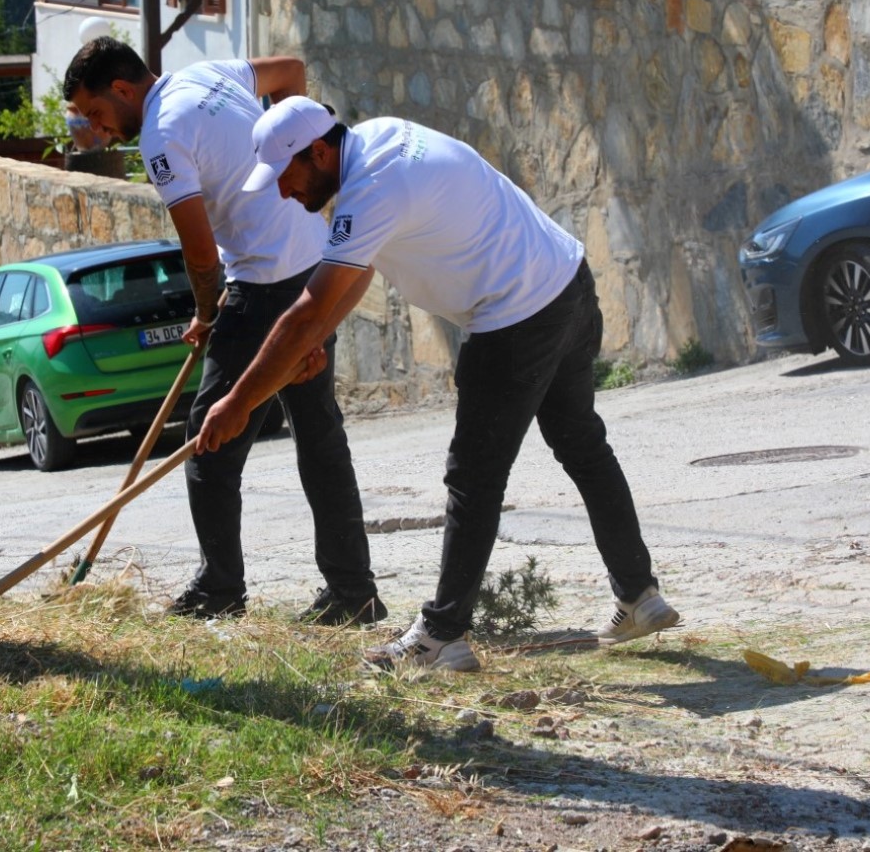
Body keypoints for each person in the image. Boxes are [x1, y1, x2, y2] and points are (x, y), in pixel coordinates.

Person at [195, 96, 679, 671]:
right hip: (565, 280)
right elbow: (356, 271)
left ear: (319, 151)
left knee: (473, 475)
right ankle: (639, 593)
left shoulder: (371, 188)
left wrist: (239, 402)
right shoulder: (381, 140)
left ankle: (441, 636)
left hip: (515, 316)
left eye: (285, 176)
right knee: (581, 444)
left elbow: (306, 309)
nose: (282, 192)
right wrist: (313, 339)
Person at [61, 39, 385, 626]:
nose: (100, 132)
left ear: (123, 90)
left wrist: (209, 314)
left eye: (98, 115)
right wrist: (300, 171)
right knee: (319, 439)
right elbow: (290, 70)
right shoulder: (209, 75)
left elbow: (199, 249)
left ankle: (219, 591)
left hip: (263, 286)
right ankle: (352, 592)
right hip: (316, 268)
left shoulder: (161, 137)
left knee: (209, 445)